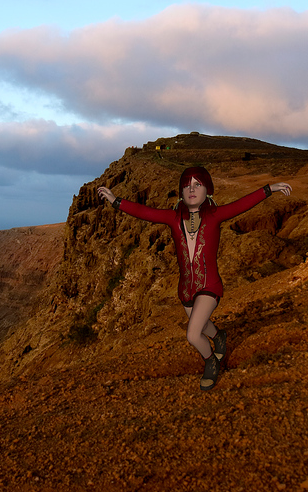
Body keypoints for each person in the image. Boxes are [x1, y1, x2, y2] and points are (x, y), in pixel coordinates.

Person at [97, 167, 292, 391]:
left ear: (207, 190)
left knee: (192, 334)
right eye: (186, 185)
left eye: (197, 184)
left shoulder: (215, 214)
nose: (191, 189)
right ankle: (220, 336)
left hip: (210, 286)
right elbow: (145, 212)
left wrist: (270, 189)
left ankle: (211, 361)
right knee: (202, 325)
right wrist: (115, 201)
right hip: (186, 290)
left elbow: (242, 204)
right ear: (180, 192)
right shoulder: (172, 218)